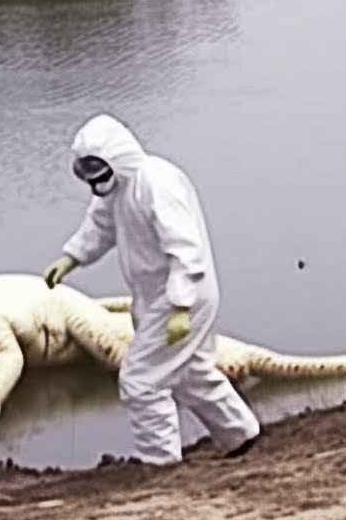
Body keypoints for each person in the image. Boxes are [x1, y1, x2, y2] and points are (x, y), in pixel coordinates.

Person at [41, 113, 262, 465]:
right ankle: (240, 435)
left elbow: (185, 250)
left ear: (116, 156)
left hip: (182, 295)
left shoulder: (158, 184)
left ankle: (160, 462)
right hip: (154, 296)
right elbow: (99, 227)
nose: (94, 179)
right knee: (190, 373)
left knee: (140, 380)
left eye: (97, 167)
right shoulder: (117, 189)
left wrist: (180, 307)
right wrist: (71, 258)